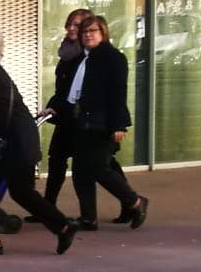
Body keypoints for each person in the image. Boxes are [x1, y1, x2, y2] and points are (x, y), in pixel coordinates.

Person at [0, 25, 75, 256]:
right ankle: (61, 227)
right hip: (17, 141)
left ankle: (59, 226)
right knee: (14, 191)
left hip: (11, 144)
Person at [48, 14, 148, 232]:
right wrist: (55, 108)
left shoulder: (113, 58)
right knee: (81, 172)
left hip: (101, 123)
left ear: (103, 33)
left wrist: (119, 125)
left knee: (99, 168)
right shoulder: (83, 59)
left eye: (93, 31)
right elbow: (71, 92)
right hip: (80, 122)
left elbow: (117, 93)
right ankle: (88, 218)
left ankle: (135, 201)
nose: (88, 35)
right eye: (85, 32)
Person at [38, 8, 89, 212]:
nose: (70, 28)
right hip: (66, 115)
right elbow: (62, 88)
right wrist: (53, 107)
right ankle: (48, 206)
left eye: (76, 25)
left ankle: (130, 202)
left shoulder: (87, 56)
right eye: (69, 23)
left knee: (101, 165)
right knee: (56, 159)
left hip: (81, 117)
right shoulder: (67, 53)